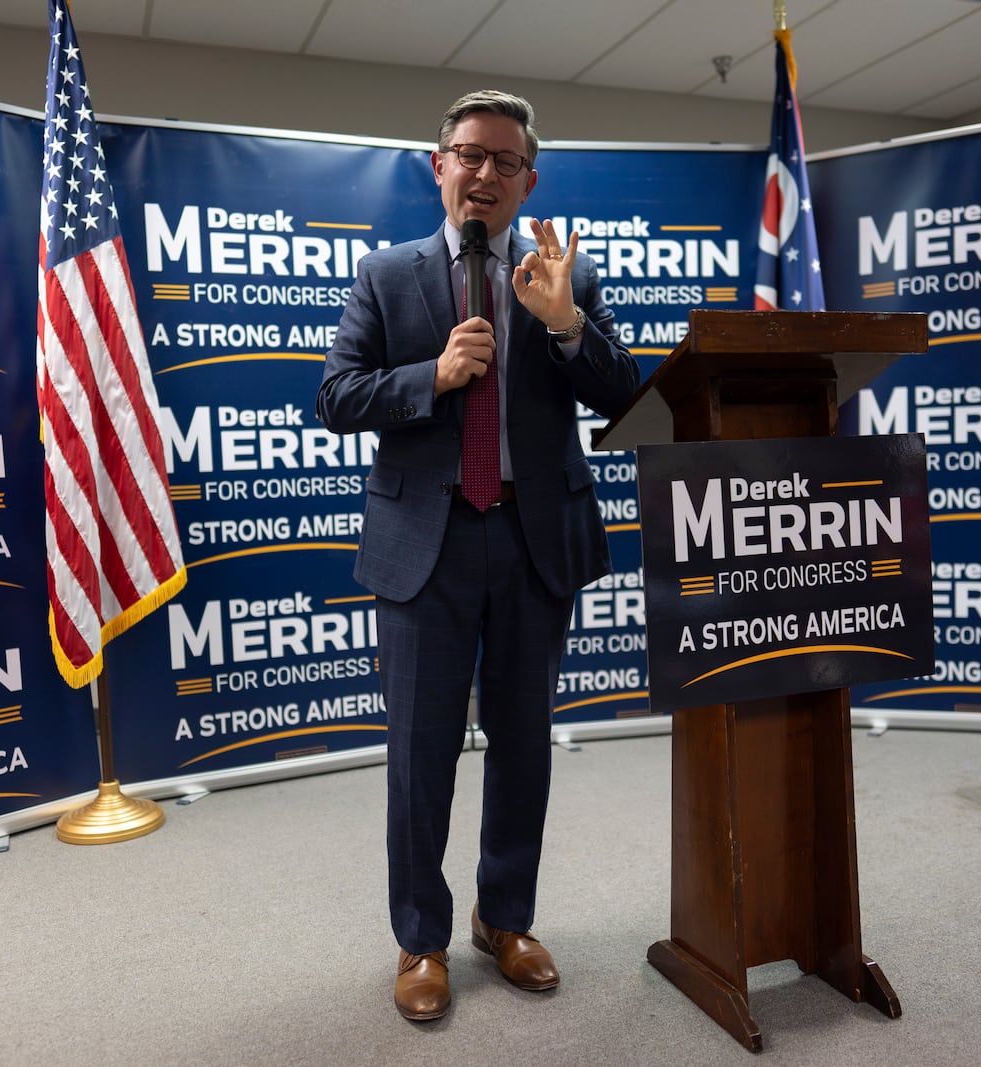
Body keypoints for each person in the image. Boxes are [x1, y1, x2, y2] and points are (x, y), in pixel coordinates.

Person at [316, 89, 640, 1021]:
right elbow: (337, 396)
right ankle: (421, 938)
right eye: (469, 155)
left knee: (525, 745)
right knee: (420, 754)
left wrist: (568, 325)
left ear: (529, 179)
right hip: (430, 542)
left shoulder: (562, 274)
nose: (485, 173)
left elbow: (623, 397)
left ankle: (506, 920)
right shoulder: (386, 275)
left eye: (505, 161)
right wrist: (435, 376)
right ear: (439, 166)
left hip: (534, 541)